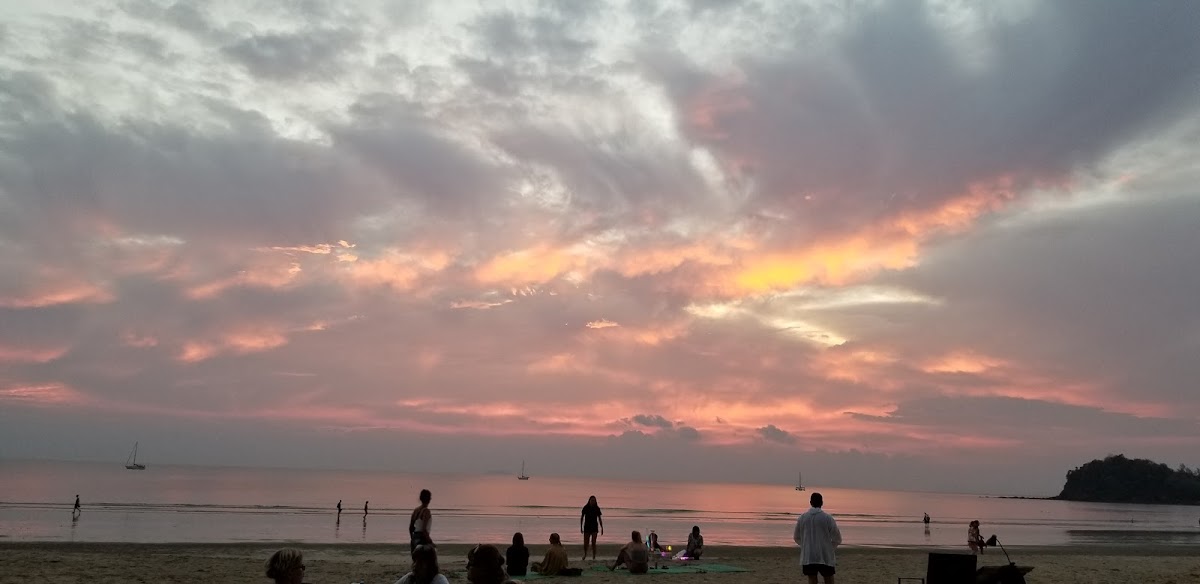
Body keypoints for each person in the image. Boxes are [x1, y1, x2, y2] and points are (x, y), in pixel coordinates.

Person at [794, 492, 842, 584]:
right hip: (825, 555)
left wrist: (806, 546)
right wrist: (829, 549)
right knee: (829, 579)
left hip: (809, 555)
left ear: (810, 502)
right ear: (822, 503)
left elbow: (796, 537)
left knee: (812, 579)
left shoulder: (802, 518)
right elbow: (837, 538)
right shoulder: (827, 518)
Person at [580, 495, 604, 560]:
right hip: (587, 527)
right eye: (592, 500)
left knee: (593, 542)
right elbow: (582, 517)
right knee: (586, 543)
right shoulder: (585, 507)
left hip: (594, 527)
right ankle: (585, 554)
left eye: (594, 501)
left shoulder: (597, 508)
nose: (593, 502)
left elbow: (599, 518)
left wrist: (602, 527)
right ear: (589, 501)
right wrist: (581, 527)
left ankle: (594, 556)